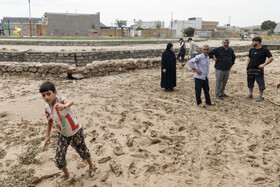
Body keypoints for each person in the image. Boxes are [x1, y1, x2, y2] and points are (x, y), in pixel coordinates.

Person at [39, 82, 96, 179]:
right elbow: (50, 121)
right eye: (43, 95)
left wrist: (64, 106)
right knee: (59, 157)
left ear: (55, 92)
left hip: (76, 131)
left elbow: (71, 101)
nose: (46, 97)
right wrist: (47, 135)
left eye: (48, 94)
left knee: (82, 150)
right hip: (63, 134)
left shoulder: (61, 100)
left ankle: (92, 166)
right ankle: (67, 174)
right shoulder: (47, 108)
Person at [246, 37, 274, 101]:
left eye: (253, 42)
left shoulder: (264, 50)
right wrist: (247, 65)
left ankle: (260, 96)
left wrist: (263, 64)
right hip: (250, 69)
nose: (252, 43)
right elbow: (249, 57)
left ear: (258, 42)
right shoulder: (251, 50)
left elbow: (271, 58)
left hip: (258, 70)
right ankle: (250, 94)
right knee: (250, 82)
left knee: (260, 83)